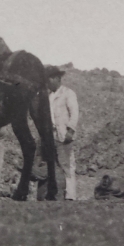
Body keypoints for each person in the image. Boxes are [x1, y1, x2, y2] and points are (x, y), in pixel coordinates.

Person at [46, 66, 80, 200]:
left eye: (49, 79)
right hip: (52, 135)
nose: (47, 82)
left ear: (56, 78)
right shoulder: (49, 96)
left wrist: (70, 130)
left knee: (66, 164)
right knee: (55, 164)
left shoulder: (68, 93)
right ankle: (57, 194)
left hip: (64, 134)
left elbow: (74, 113)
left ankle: (70, 195)